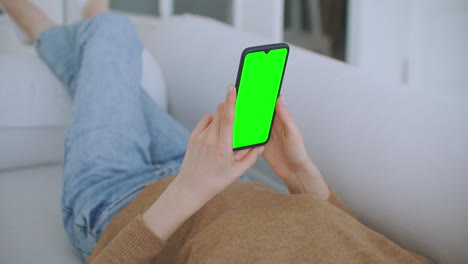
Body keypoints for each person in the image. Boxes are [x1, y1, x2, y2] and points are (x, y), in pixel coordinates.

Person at [1, 0, 433, 263]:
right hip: (224, 174)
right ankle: (82, 28)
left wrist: (189, 189)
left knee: (113, 40)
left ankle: (65, 22)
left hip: (124, 200)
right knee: (117, 75)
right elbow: (349, 240)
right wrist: (301, 175)